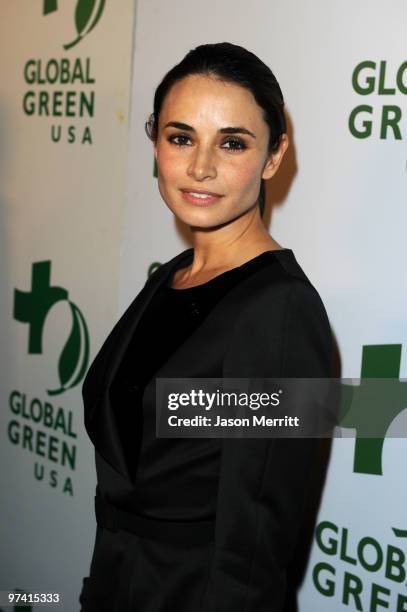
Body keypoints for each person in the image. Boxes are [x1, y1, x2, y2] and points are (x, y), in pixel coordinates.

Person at [79, 41, 333, 611]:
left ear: (274, 155)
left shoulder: (280, 312)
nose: (200, 167)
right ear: (156, 143)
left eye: (233, 143)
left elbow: (256, 539)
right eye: (181, 136)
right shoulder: (172, 278)